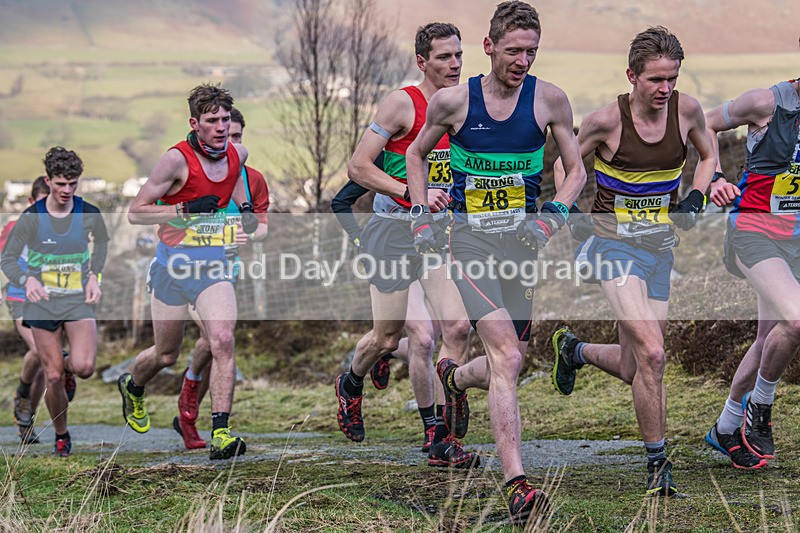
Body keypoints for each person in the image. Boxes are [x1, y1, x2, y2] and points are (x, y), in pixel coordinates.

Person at [406, 2, 586, 525]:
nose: (523, 61)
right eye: (513, 51)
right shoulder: (454, 102)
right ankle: (517, 484)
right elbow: (416, 154)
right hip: (470, 245)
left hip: (522, 247)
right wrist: (420, 214)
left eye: (531, 51)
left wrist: (553, 214)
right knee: (506, 356)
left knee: (514, 359)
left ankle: (455, 379)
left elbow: (575, 170)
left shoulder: (550, 100)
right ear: (489, 47)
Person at [550, 27, 716, 495]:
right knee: (655, 353)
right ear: (632, 76)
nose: (665, 89)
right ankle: (658, 465)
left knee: (634, 366)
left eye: (672, 78)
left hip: (658, 248)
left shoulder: (686, 111)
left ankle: (574, 350)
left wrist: (696, 196)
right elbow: (565, 164)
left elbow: (708, 156)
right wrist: (569, 209)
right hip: (613, 247)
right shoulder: (606, 121)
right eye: (655, 79)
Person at [335, 22, 477, 468]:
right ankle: (351, 382)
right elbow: (358, 167)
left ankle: (440, 437)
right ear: (422, 61)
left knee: (454, 328)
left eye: (458, 55)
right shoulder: (403, 103)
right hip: (393, 232)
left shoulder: (465, 105)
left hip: (437, 235)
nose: (454, 64)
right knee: (387, 336)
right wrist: (412, 195)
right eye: (444, 57)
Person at [119, 84, 258, 460]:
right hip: (172, 268)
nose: (221, 127)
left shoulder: (238, 153)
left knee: (222, 339)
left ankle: (221, 433)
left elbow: (236, 178)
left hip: (212, 265)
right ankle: (133, 386)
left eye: (225, 119)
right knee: (166, 355)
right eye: (212, 120)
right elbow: (135, 213)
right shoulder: (175, 161)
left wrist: (246, 208)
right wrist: (184, 209)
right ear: (194, 124)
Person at [703, 74, 800, 469]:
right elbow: (705, 123)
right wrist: (714, 177)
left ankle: (726, 427)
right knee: (796, 320)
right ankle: (759, 408)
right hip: (753, 232)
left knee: (767, 341)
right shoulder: (766, 102)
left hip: (794, 240)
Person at [1, 147, 109, 457]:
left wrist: (94, 275)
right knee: (52, 374)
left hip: (76, 300)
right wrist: (27, 280)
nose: (67, 190)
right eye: (61, 183)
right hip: (41, 303)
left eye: (73, 183)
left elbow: (102, 243)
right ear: (48, 181)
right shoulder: (31, 218)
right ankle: (61, 435)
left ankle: (67, 368)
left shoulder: (88, 212)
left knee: (84, 367)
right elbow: (8, 258)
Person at [173, 106, 269, 450]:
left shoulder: (252, 179)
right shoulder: (194, 172)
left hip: (226, 271)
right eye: (227, 135)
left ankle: (191, 403)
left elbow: (262, 227)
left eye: (237, 136)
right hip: (187, 269)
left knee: (215, 341)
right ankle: (187, 403)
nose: (231, 141)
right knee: (214, 339)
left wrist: (247, 233)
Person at [3, 177, 55, 444]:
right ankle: (22, 392)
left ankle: (27, 421)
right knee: (38, 349)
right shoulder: (15, 227)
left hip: (50, 300)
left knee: (46, 368)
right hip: (20, 297)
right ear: (30, 202)